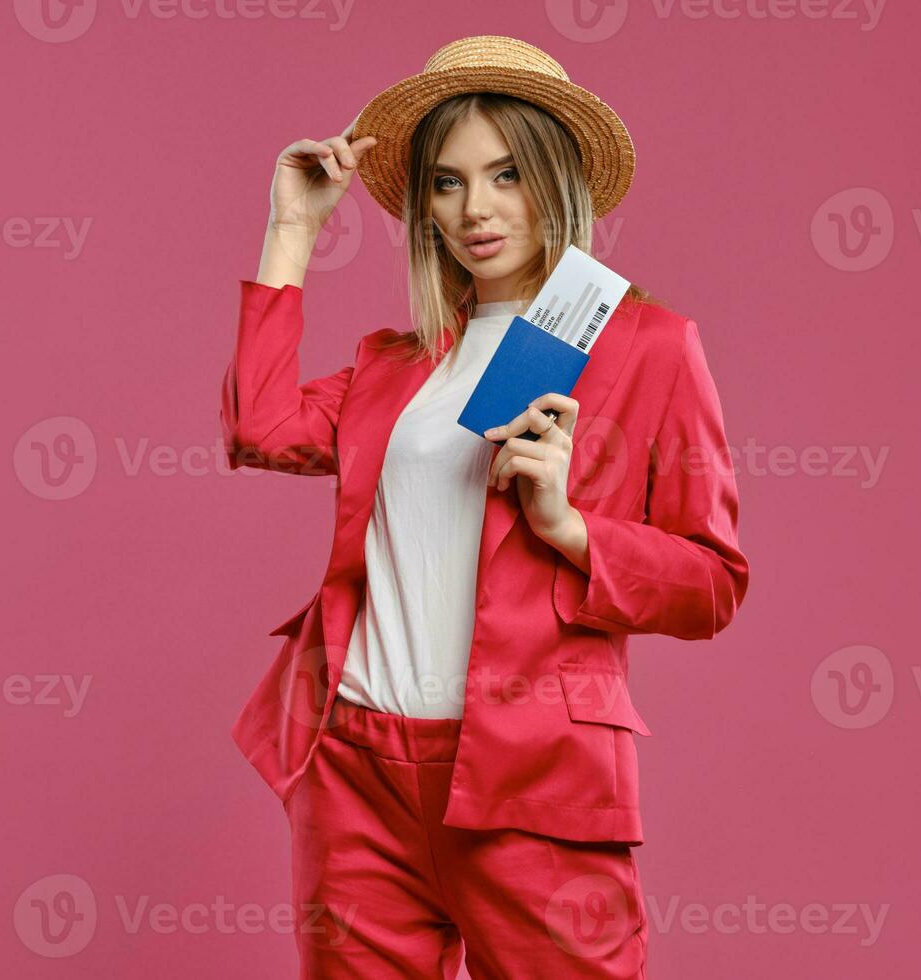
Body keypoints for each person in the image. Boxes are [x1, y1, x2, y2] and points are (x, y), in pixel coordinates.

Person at [220, 35, 749, 979]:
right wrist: (293, 230)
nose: (477, 209)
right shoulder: (400, 361)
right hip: (357, 766)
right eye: (448, 182)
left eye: (506, 173)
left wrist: (573, 530)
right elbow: (260, 426)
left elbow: (712, 584)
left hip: (531, 773)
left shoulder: (651, 347)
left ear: (554, 176)